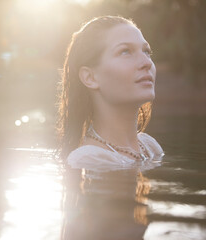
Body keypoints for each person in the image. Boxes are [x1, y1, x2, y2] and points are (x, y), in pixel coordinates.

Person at [55, 15, 165, 240]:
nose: (146, 62)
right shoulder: (89, 160)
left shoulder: (150, 147)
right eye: (126, 51)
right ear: (90, 77)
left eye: (146, 51)